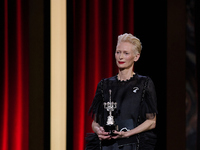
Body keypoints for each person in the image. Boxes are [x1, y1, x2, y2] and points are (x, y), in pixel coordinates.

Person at [87, 33, 158, 150]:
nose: (120, 57)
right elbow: (95, 122)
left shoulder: (144, 83)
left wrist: (128, 133)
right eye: (118, 52)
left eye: (126, 53)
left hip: (133, 145)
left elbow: (151, 121)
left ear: (136, 57)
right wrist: (98, 131)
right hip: (108, 146)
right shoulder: (104, 85)